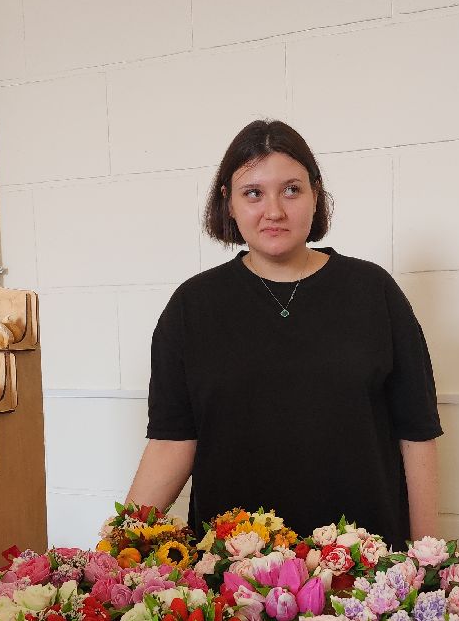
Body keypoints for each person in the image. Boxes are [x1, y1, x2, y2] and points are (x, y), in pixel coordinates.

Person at [124, 119, 442, 546]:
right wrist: (116, 550)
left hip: (363, 570)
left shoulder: (374, 291)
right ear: (228, 203)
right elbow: (171, 442)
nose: (273, 210)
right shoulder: (192, 306)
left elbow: (417, 436)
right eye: (253, 192)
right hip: (233, 574)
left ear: (316, 195)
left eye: (291, 189)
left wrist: (427, 561)